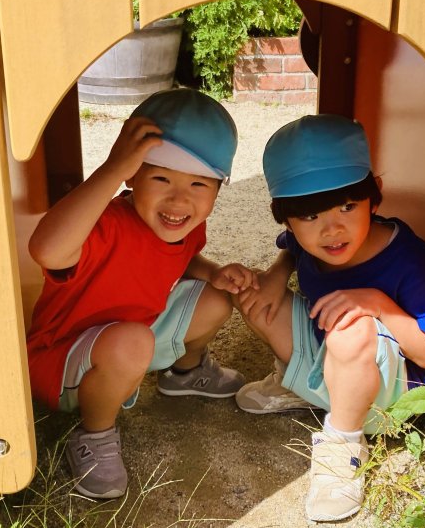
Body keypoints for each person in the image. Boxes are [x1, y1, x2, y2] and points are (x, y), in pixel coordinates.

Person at [27, 88, 256, 499]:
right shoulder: (106, 224)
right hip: (61, 363)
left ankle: (184, 373)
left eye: (199, 184)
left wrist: (213, 272)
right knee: (133, 341)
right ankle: (95, 434)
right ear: (132, 176)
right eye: (161, 178)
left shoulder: (183, 224)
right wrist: (111, 169)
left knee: (215, 297)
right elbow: (47, 250)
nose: (179, 199)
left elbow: (182, 257)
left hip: (130, 340)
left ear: (218, 190)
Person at [235, 114, 425, 521]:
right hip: (332, 360)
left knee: (350, 327)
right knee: (253, 295)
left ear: (375, 196)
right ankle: (303, 387)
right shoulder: (308, 242)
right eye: (309, 216)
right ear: (286, 219)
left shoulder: (406, 257)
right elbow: (292, 250)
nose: (332, 229)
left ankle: (344, 444)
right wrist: (275, 277)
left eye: (348, 206)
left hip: (386, 398)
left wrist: (376, 302)